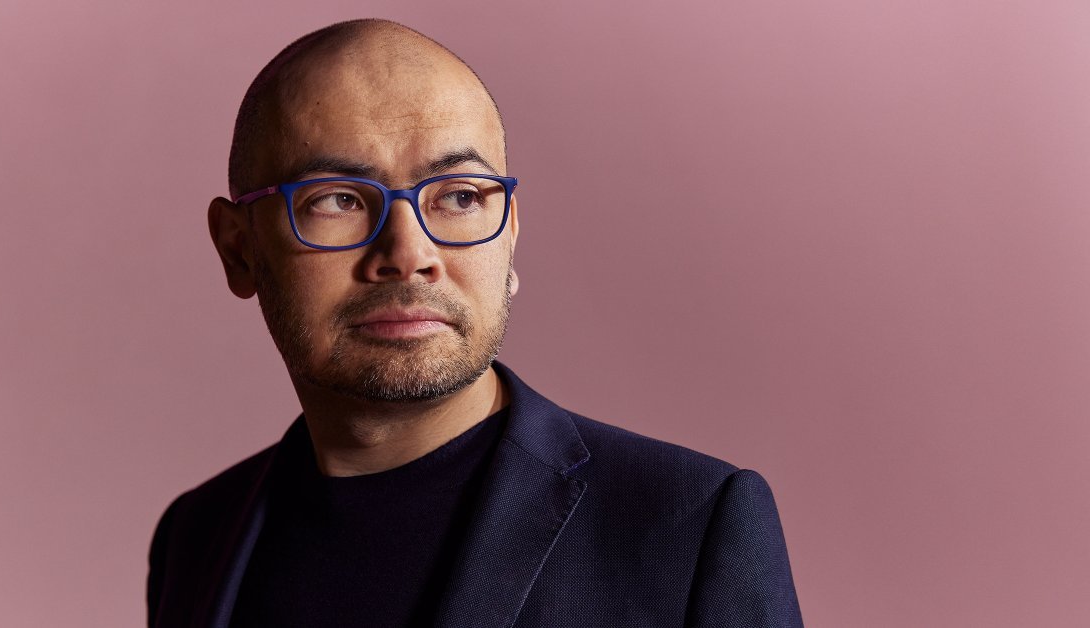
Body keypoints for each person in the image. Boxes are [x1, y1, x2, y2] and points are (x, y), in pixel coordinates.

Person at [147, 18, 803, 628]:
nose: (409, 254)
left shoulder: (690, 525)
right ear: (238, 249)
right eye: (339, 200)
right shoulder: (194, 538)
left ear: (509, 234)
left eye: (460, 196)